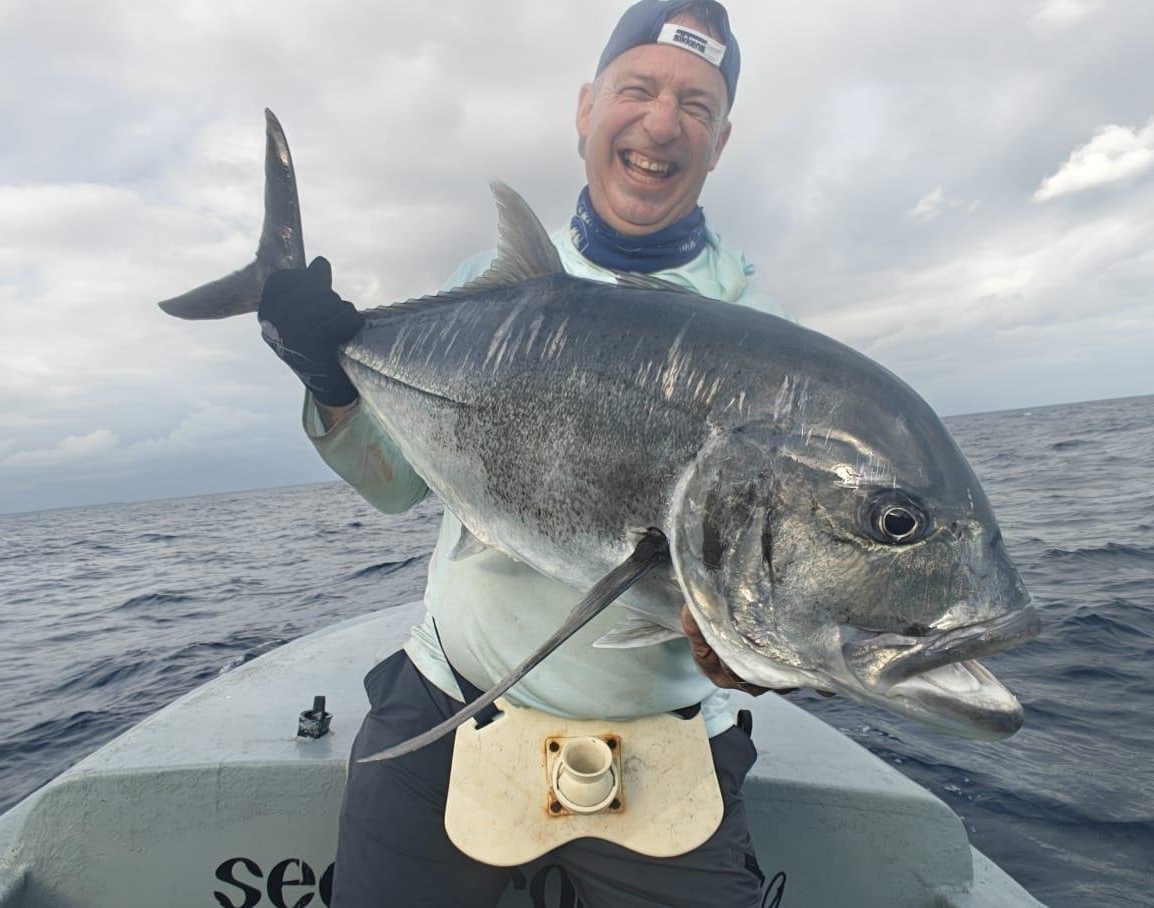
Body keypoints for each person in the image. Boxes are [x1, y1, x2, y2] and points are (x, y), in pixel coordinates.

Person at [256, 3, 789, 905]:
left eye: (696, 105)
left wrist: (759, 653)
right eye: (638, 89)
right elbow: (396, 486)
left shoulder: (759, 346)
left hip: (661, 734)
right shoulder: (488, 293)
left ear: (722, 139)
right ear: (587, 109)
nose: (662, 123)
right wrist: (329, 375)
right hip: (450, 700)